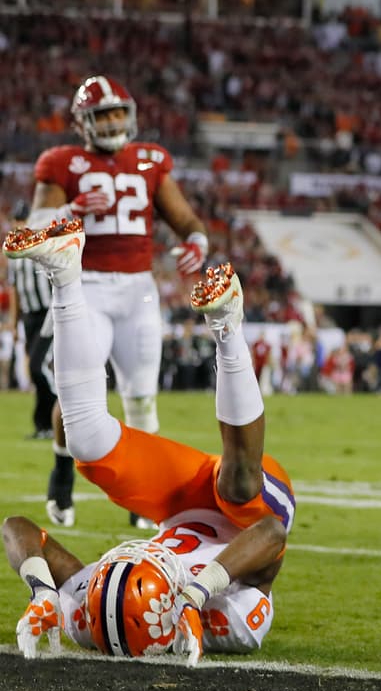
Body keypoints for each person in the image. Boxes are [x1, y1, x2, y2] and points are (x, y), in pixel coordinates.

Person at [4, 218, 292, 665]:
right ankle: (227, 326)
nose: (129, 556)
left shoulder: (91, 612)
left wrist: (43, 589)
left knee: (87, 444)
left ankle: (63, 275)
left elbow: (16, 528)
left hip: (176, 504)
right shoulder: (230, 621)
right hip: (250, 517)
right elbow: (271, 535)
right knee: (237, 485)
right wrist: (199, 591)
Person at [27, 75, 210, 531]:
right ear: (83, 122)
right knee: (77, 395)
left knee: (143, 398)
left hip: (138, 289)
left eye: (116, 112)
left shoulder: (149, 160)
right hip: (85, 283)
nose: (111, 122)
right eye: (102, 114)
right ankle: (62, 479)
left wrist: (197, 240)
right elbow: (33, 226)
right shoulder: (62, 162)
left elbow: (183, 216)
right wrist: (70, 212)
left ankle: (142, 497)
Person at [7, 200, 56, 438]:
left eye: (22, 220)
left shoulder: (43, 245)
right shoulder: (12, 253)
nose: (19, 225)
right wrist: (14, 322)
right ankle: (43, 426)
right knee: (37, 372)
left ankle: (61, 411)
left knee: (38, 368)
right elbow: (14, 290)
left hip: (49, 313)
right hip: (30, 316)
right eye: (16, 220)